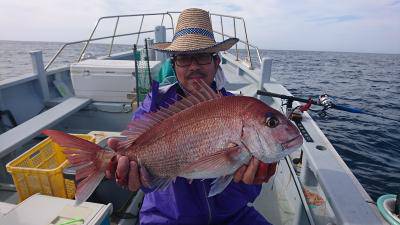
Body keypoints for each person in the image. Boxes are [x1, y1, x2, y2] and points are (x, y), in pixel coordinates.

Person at [106, 8, 277, 225]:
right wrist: (133, 177)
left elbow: (247, 192)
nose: (193, 66)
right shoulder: (153, 107)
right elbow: (148, 184)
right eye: (184, 59)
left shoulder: (237, 109)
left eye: (203, 56)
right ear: (174, 65)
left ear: (217, 61)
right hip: (166, 219)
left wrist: (252, 181)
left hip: (233, 218)